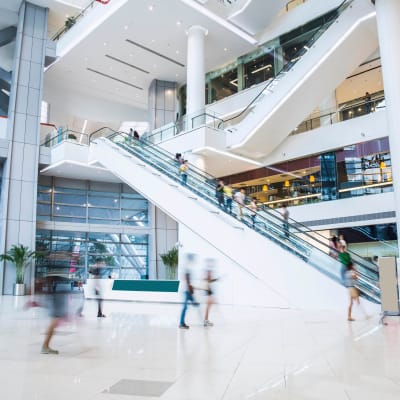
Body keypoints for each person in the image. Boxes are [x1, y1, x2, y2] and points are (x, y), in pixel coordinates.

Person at [179, 253, 198, 329]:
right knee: (185, 307)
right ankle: (181, 323)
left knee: (195, 305)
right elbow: (187, 280)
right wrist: (190, 289)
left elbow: (188, 280)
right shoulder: (187, 267)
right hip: (187, 291)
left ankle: (182, 323)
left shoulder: (188, 267)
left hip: (188, 290)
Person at [203, 260, 218, 327]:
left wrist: (215, 280)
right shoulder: (207, 274)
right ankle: (206, 321)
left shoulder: (207, 275)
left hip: (209, 292)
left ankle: (206, 321)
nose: (211, 274)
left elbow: (209, 280)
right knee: (208, 307)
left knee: (209, 307)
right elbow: (208, 280)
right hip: (208, 292)